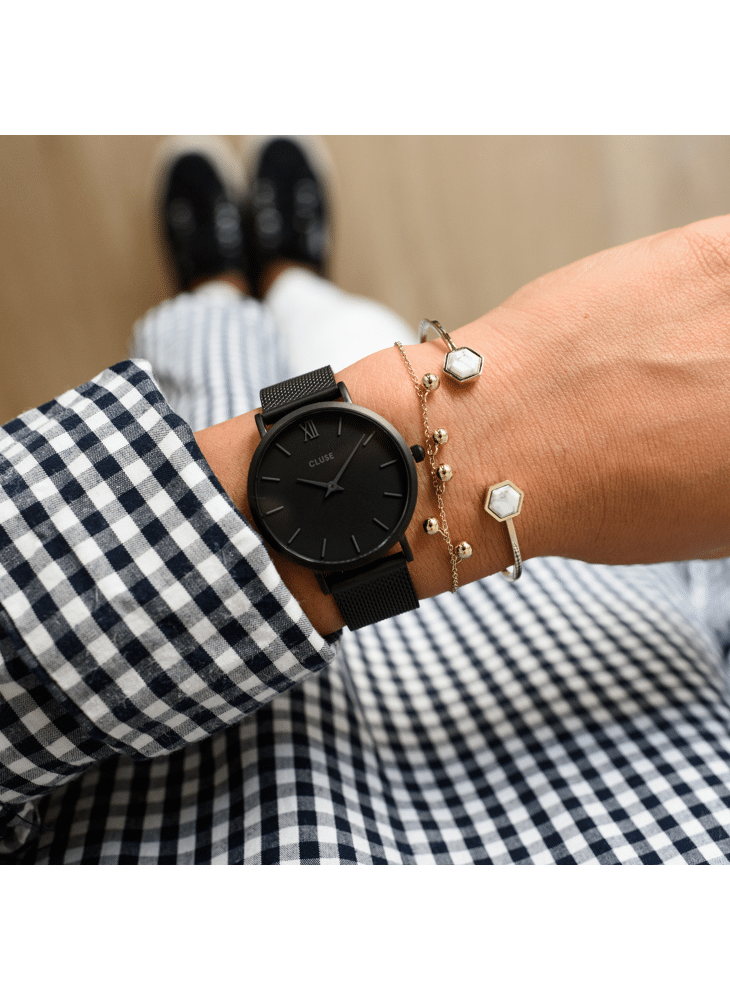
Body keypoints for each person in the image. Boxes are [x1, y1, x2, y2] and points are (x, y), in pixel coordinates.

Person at [1, 135, 729, 863]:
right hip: (582, 617)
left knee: (201, 369)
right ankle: (288, 275)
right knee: (350, 333)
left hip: (191, 732)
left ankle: (213, 287)